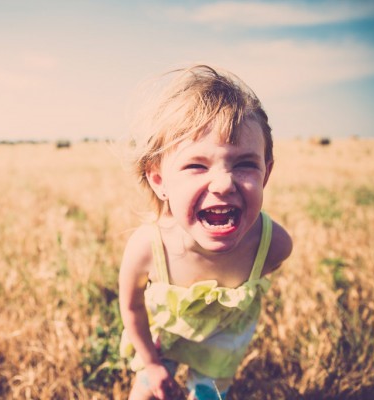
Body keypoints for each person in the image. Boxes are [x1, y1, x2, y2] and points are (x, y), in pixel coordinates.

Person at [118, 65, 293, 400]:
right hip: (161, 339)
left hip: (220, 350)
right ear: (159, 181)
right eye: (196, 165)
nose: (224, 183)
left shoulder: (273, 245)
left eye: (245, 164)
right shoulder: (147, 247)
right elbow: (131, 307)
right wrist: (151, 364)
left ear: (266, 174)